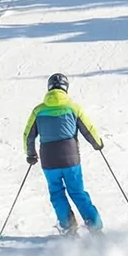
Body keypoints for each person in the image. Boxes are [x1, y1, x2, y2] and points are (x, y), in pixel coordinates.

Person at [23, 72, 103, 234]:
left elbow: (28, 135)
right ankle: (94, 225)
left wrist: (30, 154)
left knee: (57, 192)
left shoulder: (38, 111)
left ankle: (68, 227)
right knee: (77, 191)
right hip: (70, 158)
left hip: (49, 160)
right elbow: (88, 129)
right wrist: (97, 144)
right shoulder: (73, 108)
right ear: (65, 88)